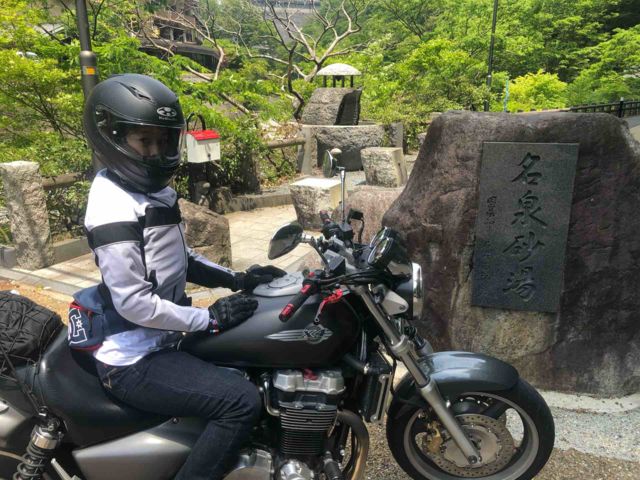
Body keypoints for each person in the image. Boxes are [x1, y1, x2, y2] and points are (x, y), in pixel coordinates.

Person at [82, 73, 285, 480]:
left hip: (161, 338)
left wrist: (239, 279)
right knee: (241, 401)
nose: (157, 152)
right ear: (112, 137)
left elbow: (180, 258)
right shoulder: (112, 207)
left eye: (164, 140)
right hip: (133, 358)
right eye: (145, 141)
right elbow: (134, 304)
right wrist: (209, 318)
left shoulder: (151, 192)